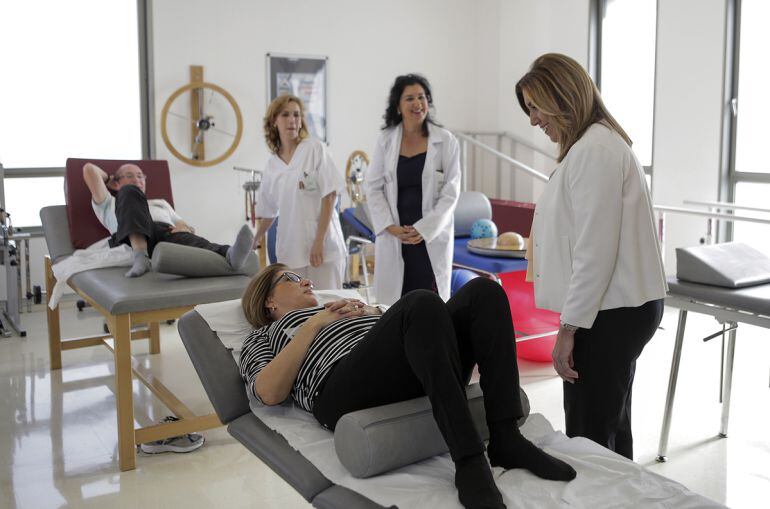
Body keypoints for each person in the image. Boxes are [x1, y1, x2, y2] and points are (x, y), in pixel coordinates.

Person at [240, 263, 577, 509]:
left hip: (410, 364)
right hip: (340, 389)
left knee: (484, 292)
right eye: (292, 278)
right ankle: (469, 459)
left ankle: (506, 438)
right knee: (420, 301)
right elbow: (268, 393)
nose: (306, 280)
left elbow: (411, 327)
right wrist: (313, 325)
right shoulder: (263, 335)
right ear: (269, 301)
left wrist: (373, 313)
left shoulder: (343, 308)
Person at [515, 53, 668, 460]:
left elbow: (594, 251)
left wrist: (568, 329)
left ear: (561, 95)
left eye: (535, 107)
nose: (532, 120)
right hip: (615, 308)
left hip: (610, 312)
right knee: (609, 431)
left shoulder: (595, 150)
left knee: (589, 440)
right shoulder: (592, 145)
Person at [364, 74, 461, 305]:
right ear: (398, 105)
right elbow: (373, 187)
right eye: (409, 98)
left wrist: (424, 229)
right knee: (394, 304)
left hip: (429, 237)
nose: (417, 104)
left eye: (422, 97)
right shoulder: (386, 141)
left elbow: (451, 191)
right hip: (396, 236)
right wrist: (391, 227)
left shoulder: (446, 141)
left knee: (429, 301)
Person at [83, 162, 253, 278]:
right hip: (129, 238)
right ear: (115, 183)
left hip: (166, 234)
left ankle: (230, 254)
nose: (137, 180)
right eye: (129, 176)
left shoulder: (160, 203)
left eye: (140, 176)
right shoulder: (110, 202)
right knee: (129, 191)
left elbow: (181, 223)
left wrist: (186, 228)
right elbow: (89, 169)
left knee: (191, 239)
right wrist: (109, 180)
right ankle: (140, 256)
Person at [252, 95, 347, 289]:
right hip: (291, 249)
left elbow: (330, 195)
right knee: (298, 309)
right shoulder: (272, 165)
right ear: (274, 121)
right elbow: (269, 211)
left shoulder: (314, 149)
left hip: (323, 246)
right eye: (285, 114)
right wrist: (255, 238)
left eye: (296, 114)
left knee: (330, 305)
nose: (292, 120)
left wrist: (318, 241)